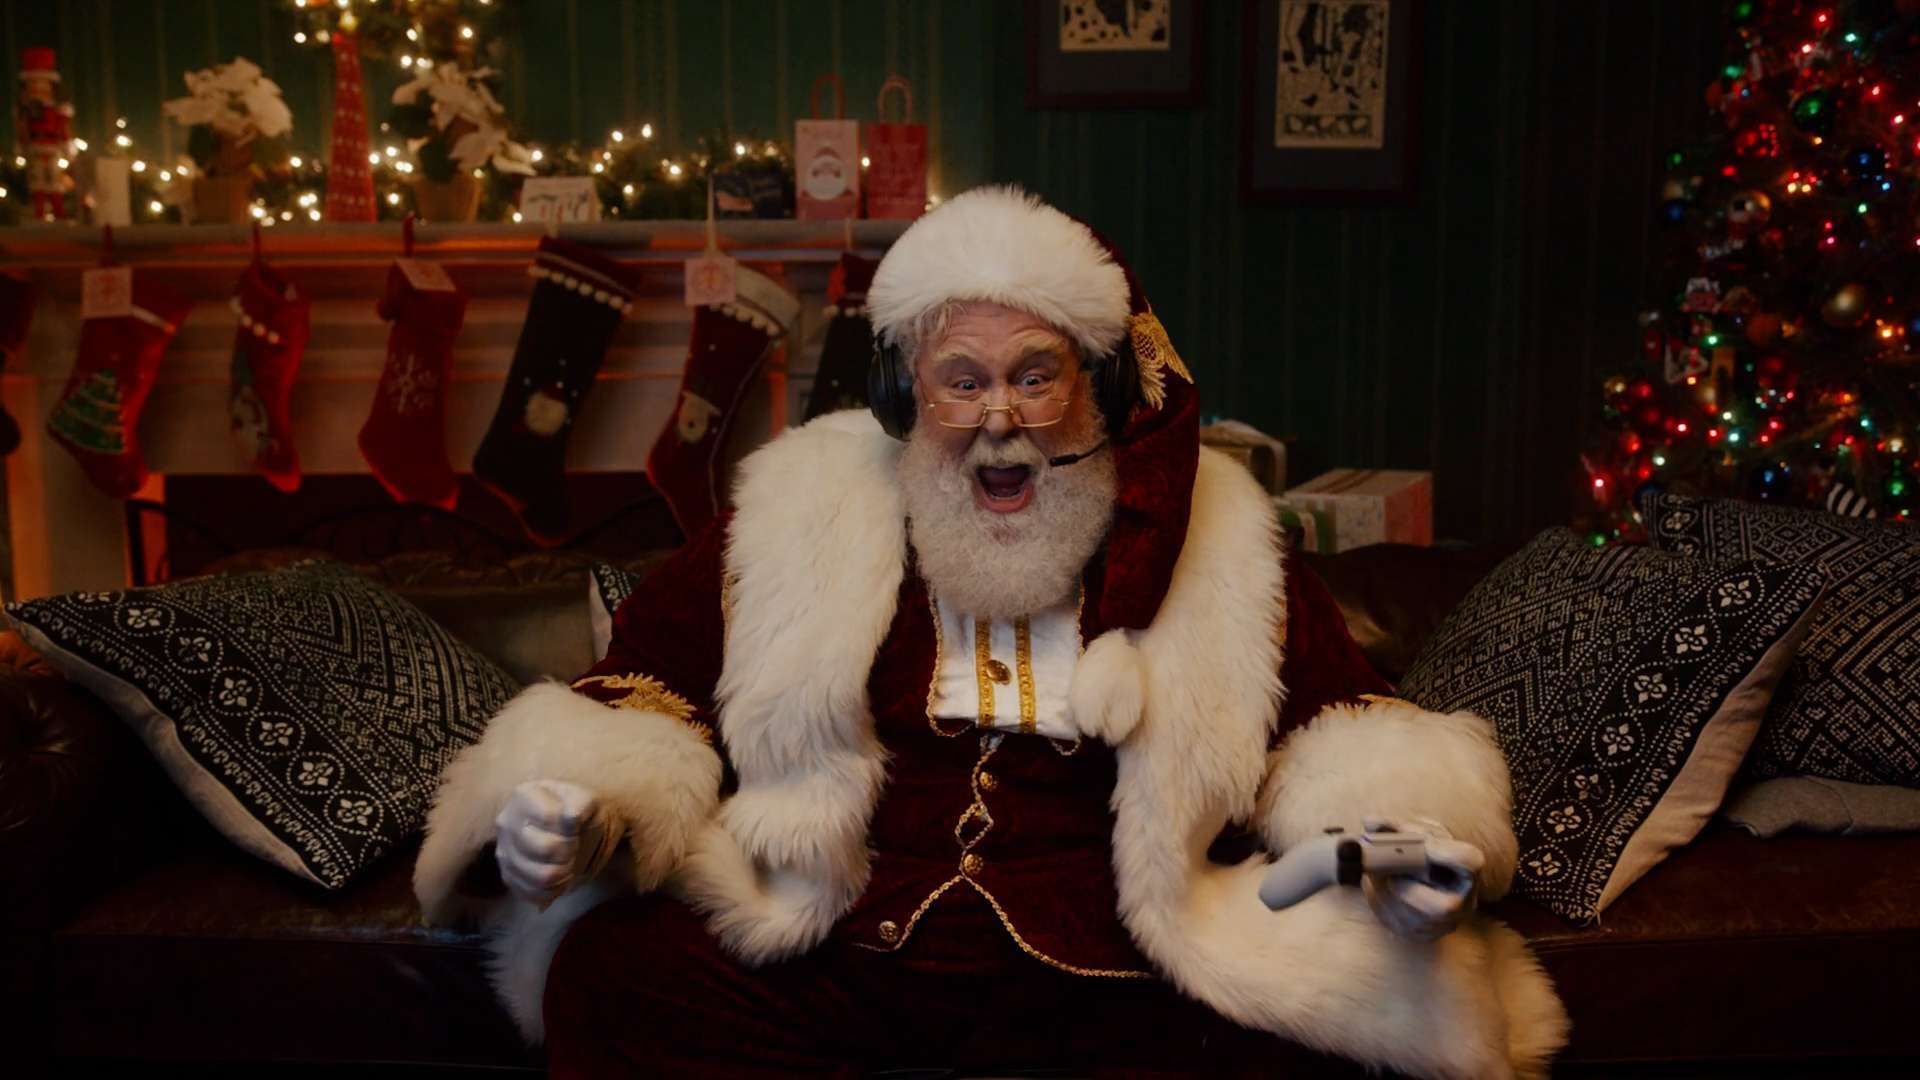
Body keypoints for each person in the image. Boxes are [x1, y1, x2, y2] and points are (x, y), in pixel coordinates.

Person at [414, 187, 1567, 1078]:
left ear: (1098, 388)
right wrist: (589, 805)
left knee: (1324, 1021)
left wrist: (1389, 830)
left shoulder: (1218, 532)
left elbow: (1333, 717)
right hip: (836, 939)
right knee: (614, 972)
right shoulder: (795, 508)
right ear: (906, 394)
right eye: (961, 381)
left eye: (1035, 377)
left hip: (1117, 961)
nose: (999, 418)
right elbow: (648, 684)